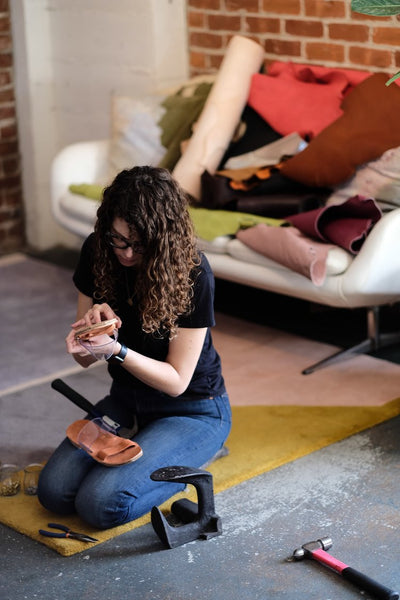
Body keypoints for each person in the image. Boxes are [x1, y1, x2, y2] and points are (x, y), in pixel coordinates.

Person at [38, 166, 231, 529]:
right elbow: (81, 359)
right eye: (117, 240)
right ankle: (150, 444)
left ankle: (197, 450)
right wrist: (89, 334)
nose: (125, 253)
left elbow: (177, 381)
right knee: (55, 493)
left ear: (163, 238)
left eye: (138, 245)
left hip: (193, 409)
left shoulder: (193, 272)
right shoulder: (98, 250)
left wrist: (116, 350)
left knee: (99, 505)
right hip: (127, 402)